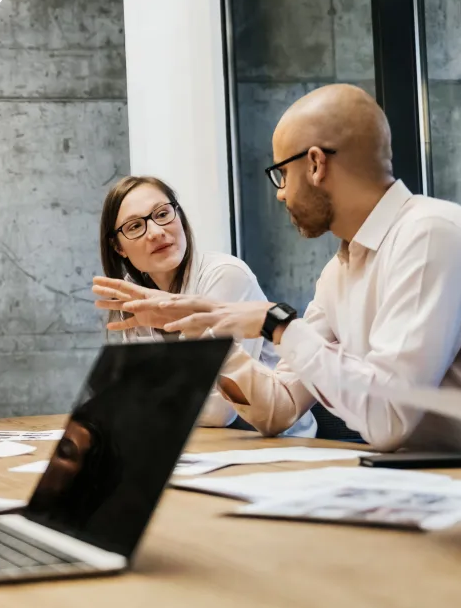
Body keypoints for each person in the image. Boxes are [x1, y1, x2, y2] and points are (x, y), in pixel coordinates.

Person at [96, 84, 461, 458]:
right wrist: (202, 328)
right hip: (433, 488)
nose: (281, 194)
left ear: (316, 164)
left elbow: (388, 418)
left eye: (281, 174)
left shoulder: (432, 235)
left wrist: (277, 324)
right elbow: (277, 410)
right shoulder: (338, 273)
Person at [96, 175, 315, 436]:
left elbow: (220, 411)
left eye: (163, 213)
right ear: (118, 247)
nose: (156, 232)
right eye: (134, 227)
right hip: (198, 444)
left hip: (275, 444)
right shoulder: (131, 296)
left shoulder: (225, 275)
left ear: (179, 214)